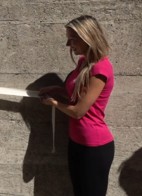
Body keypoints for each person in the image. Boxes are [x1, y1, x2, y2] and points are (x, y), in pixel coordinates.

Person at [39, 15, 114, 196]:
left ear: (87, 37)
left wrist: (55, 103)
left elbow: (79, 111)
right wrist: (59, 89)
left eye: (72, 39)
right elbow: (78, 97)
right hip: (76, 141)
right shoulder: (83, 62)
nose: (68, 45)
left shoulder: (100, 69)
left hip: (93, 146)